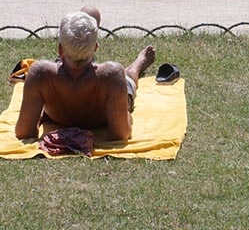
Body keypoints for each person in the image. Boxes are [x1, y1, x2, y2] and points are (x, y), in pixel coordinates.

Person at [15, 11, 155, 142]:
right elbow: (122, 135)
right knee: (128, 77)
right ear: (96, 47)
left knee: (90, 12)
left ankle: (75, 46)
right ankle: (136, 66)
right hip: (100, 113)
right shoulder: (112, 74)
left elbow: (23, 132)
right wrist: (127, 117)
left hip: (59, 113)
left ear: (60, 50)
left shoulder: (40, 73)